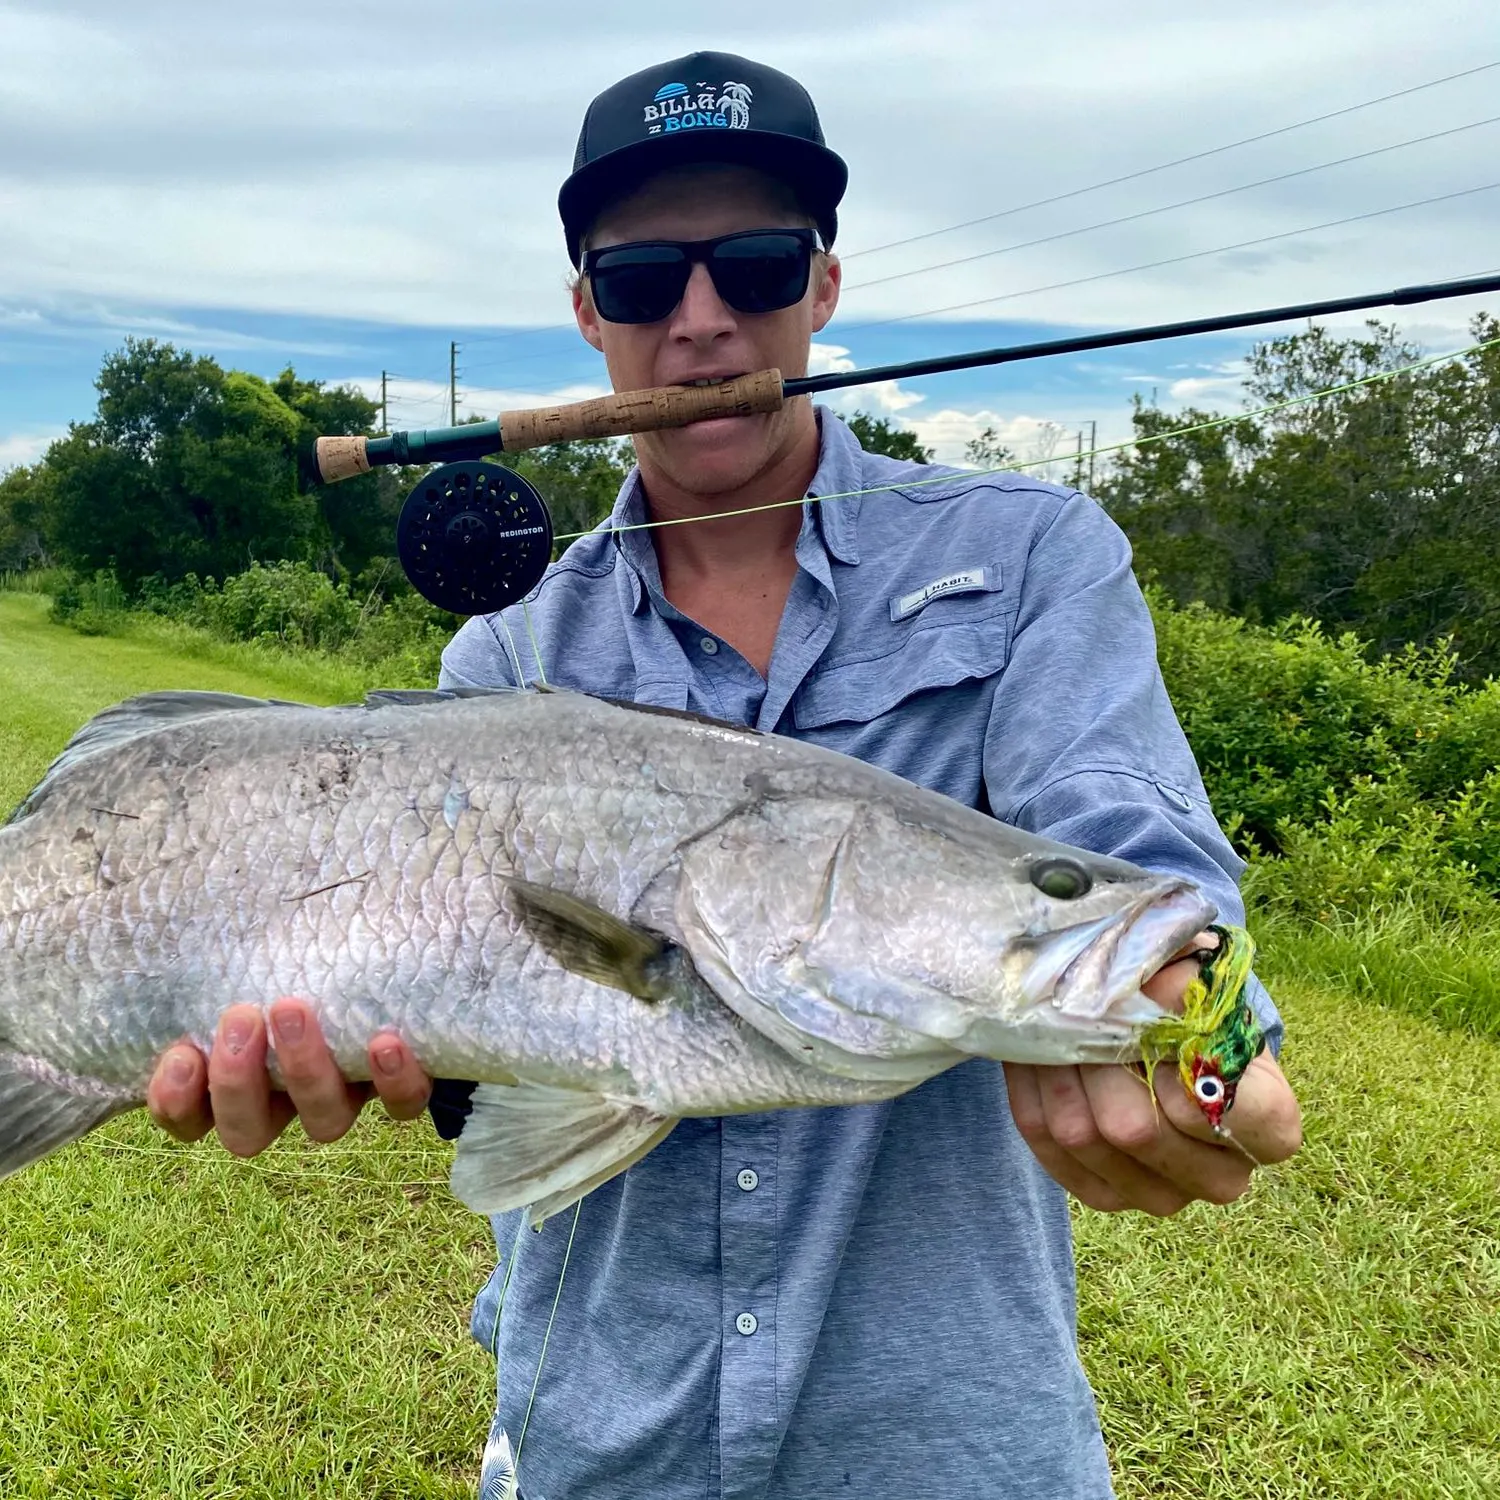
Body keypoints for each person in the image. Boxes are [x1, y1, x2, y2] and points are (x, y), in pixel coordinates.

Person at [148, 50, 1302, 1499]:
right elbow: (496, 1063)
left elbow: (1154, 870)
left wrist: (1207, 1031)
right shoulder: (507, 657)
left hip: (950, 1445)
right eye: (640, 285)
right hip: (601, 1436)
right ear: (588, 315)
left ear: (822, 285)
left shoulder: (1029, 558)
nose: (701, 322)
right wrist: (394, 1062)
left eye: (755, 266)